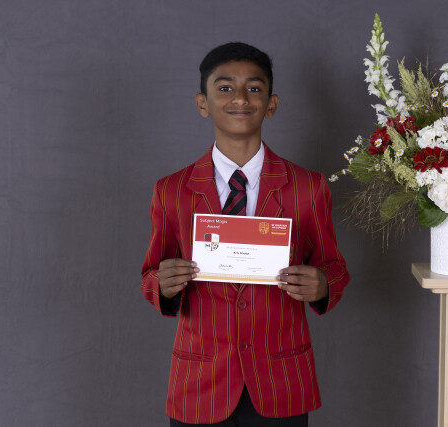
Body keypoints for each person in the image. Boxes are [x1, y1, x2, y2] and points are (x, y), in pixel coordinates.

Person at [140, 42, 350, 426]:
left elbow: (334, 267)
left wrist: (322, 284)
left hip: (281, 381)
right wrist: (163, 285)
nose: (240, 98)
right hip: (200, 383)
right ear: (202, 103)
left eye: (254, 88)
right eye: (225, 88)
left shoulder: (308, 187)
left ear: (271, 104)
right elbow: (150, 274)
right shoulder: (171, 191)